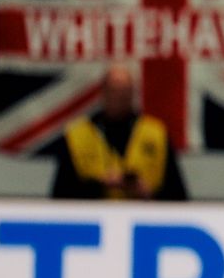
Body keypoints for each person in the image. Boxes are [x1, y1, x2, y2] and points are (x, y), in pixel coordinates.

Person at [51, 65, 187, 201]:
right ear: (103, 93)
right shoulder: (77, 135)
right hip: (93, 216)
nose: (119, 99)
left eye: (124, 93)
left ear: (133, 94)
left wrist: (148, 193)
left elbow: (179, 197)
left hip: (144, 216)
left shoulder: (155, 133)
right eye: (114, 92)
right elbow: (60, 195)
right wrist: (100, 185)